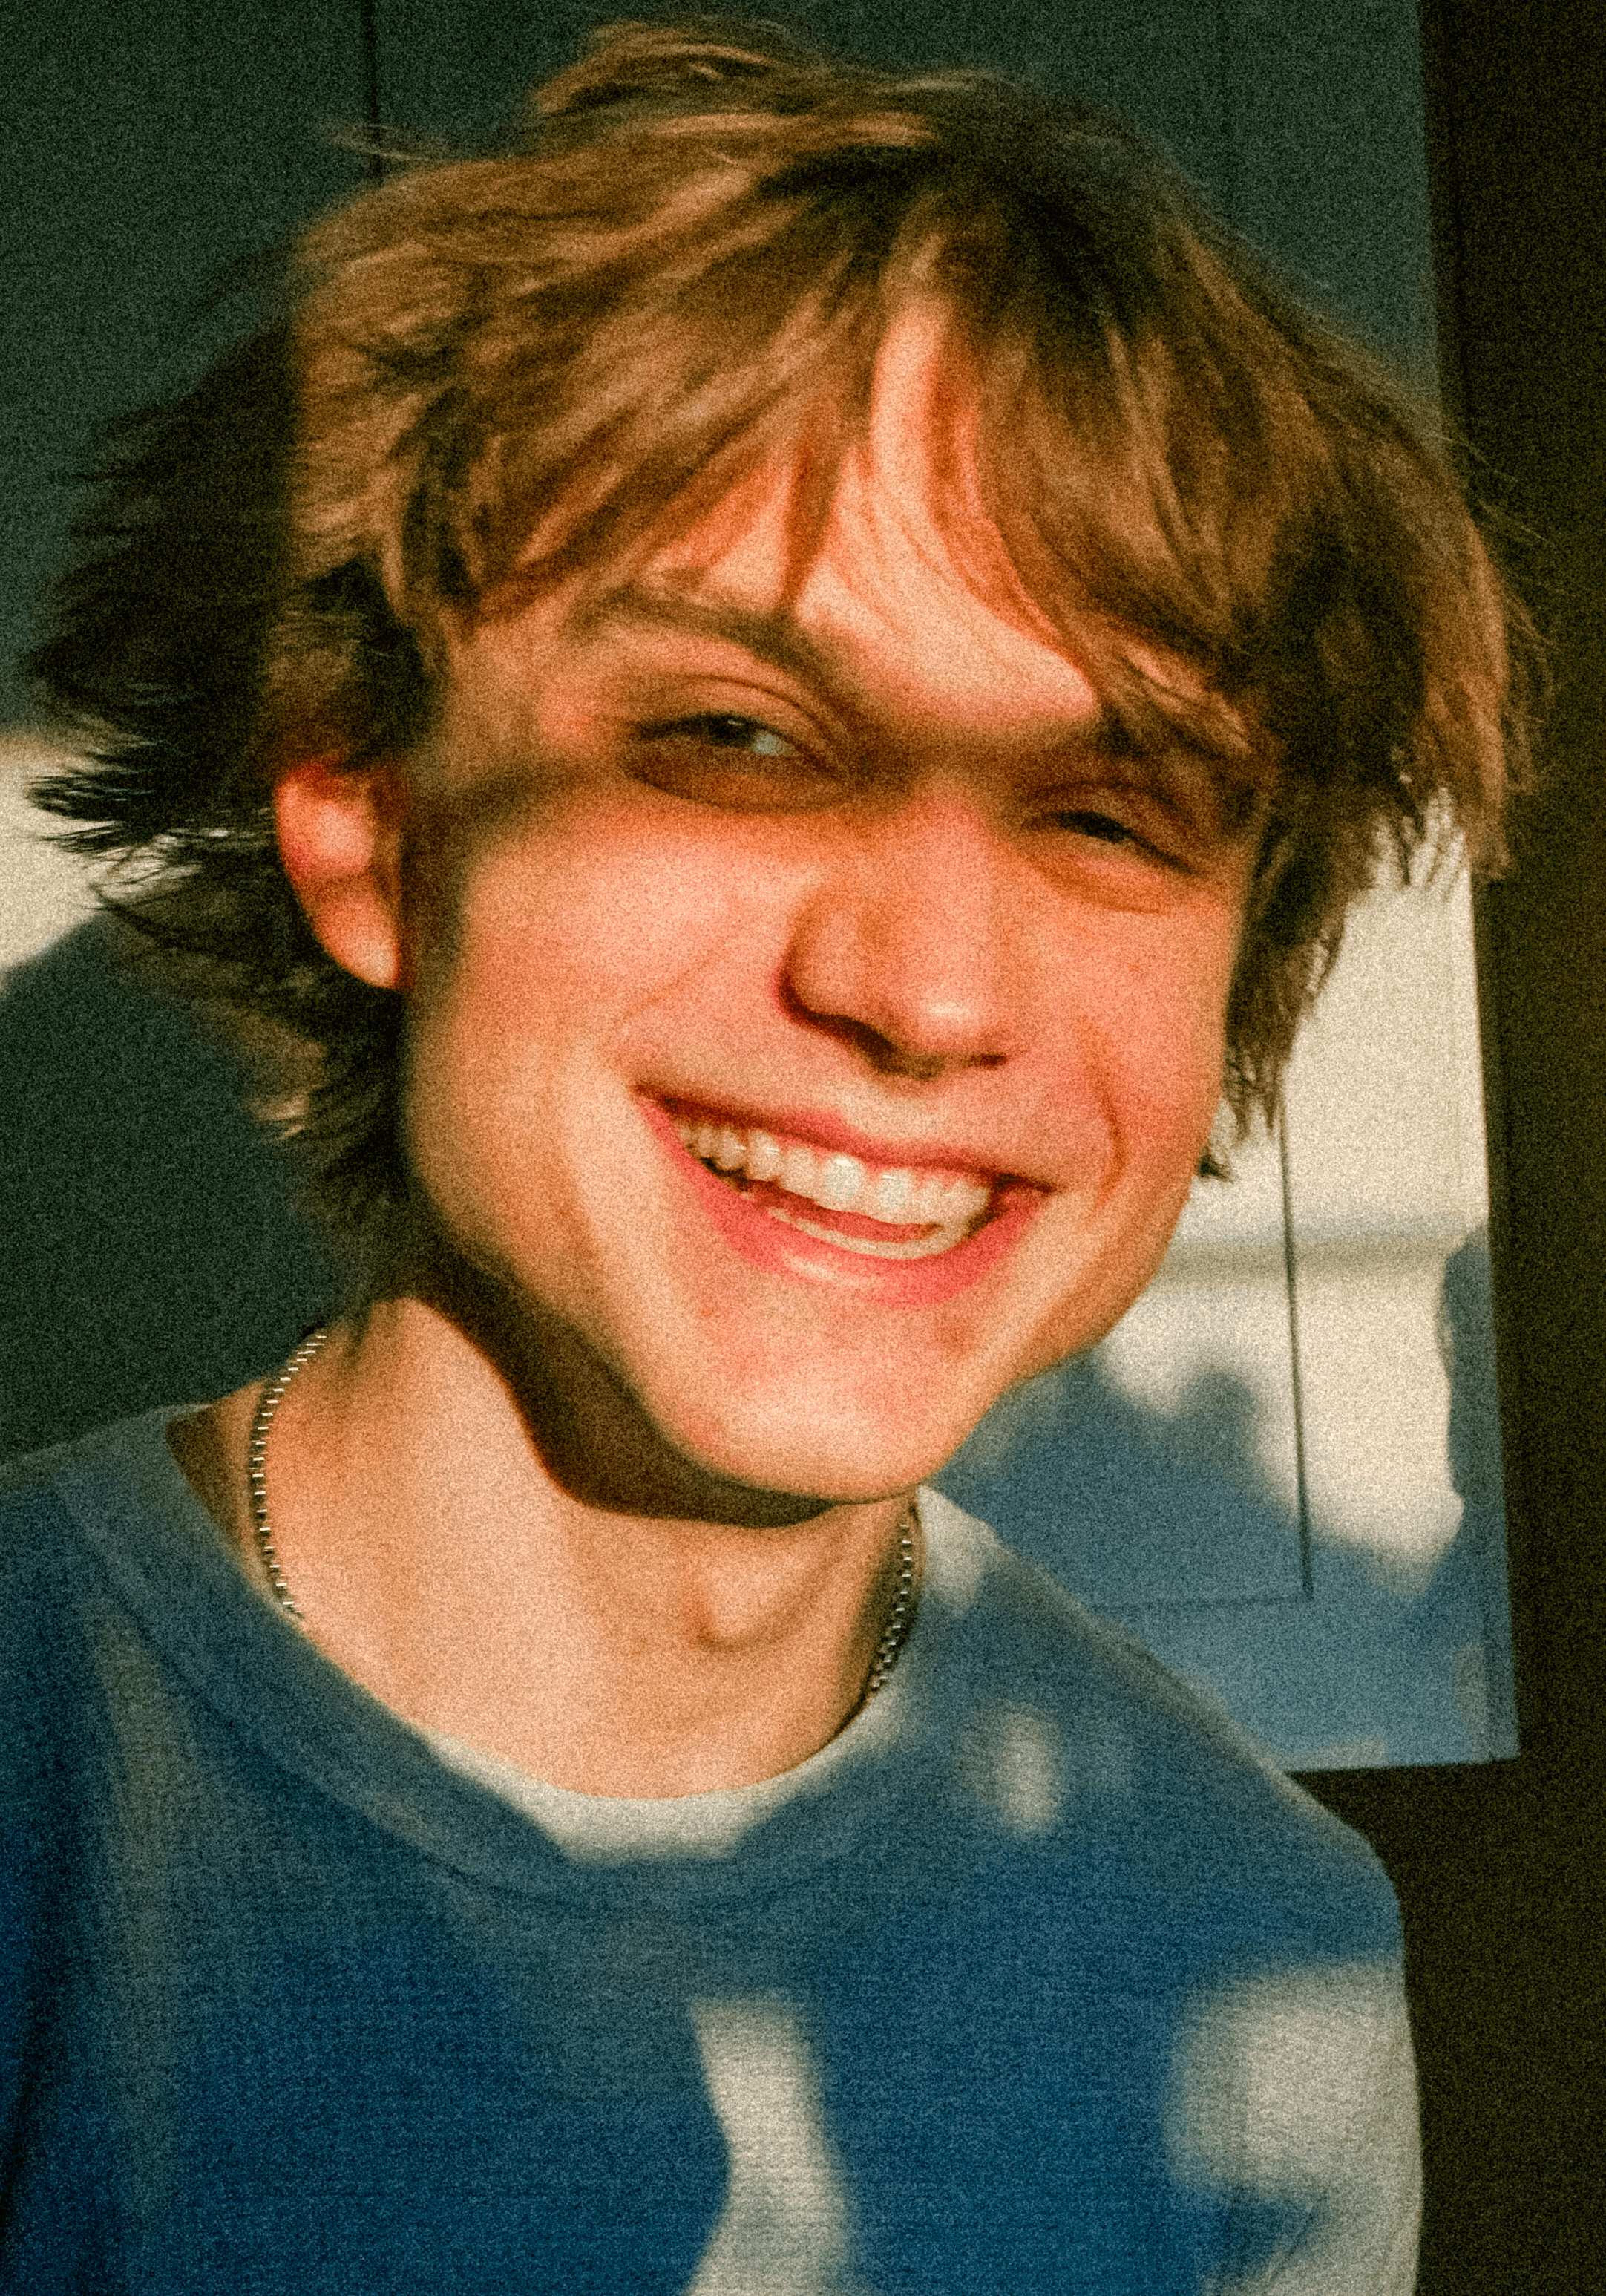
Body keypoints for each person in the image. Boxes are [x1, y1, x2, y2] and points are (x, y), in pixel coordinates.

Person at [1, 18, 1528, 2291]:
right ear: (367, 813)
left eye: (1111, 813)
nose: (927, 987)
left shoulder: (1261, 1967)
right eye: (734, 736)